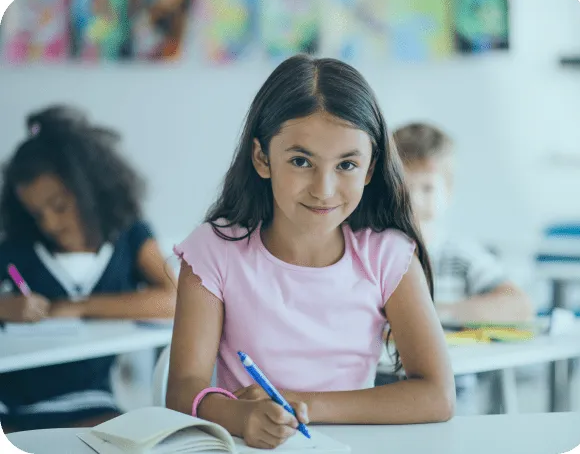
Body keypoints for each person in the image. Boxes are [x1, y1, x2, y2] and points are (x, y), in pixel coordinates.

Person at [166, 55, 455, 450]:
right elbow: (183, 390)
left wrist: (298, 405)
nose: (323, 188)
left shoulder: (389, 255)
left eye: (347, 165)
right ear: (262, 158)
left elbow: (437, 395)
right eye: (301, 161)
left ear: (370, 169)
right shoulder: (213, 250)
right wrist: (240, 415)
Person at [0, 105, 176, 432]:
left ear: (90, 190)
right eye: (37, 214)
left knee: (133, 437)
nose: (50, 223)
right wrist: (5, 308)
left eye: (59, 207)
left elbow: (175, 301)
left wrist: (76, 307)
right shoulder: (19, 248)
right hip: (12, 404)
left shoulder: (129, 234)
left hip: (90, 399)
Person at [385, 122, 533, 414]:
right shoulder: (375, 253)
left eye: (427, 188)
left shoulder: (460, 255)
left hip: (452, 397)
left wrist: (429, 315)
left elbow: (519, 306)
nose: (414, 201)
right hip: (383, 389)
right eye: (404, 187)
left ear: (448, 191)